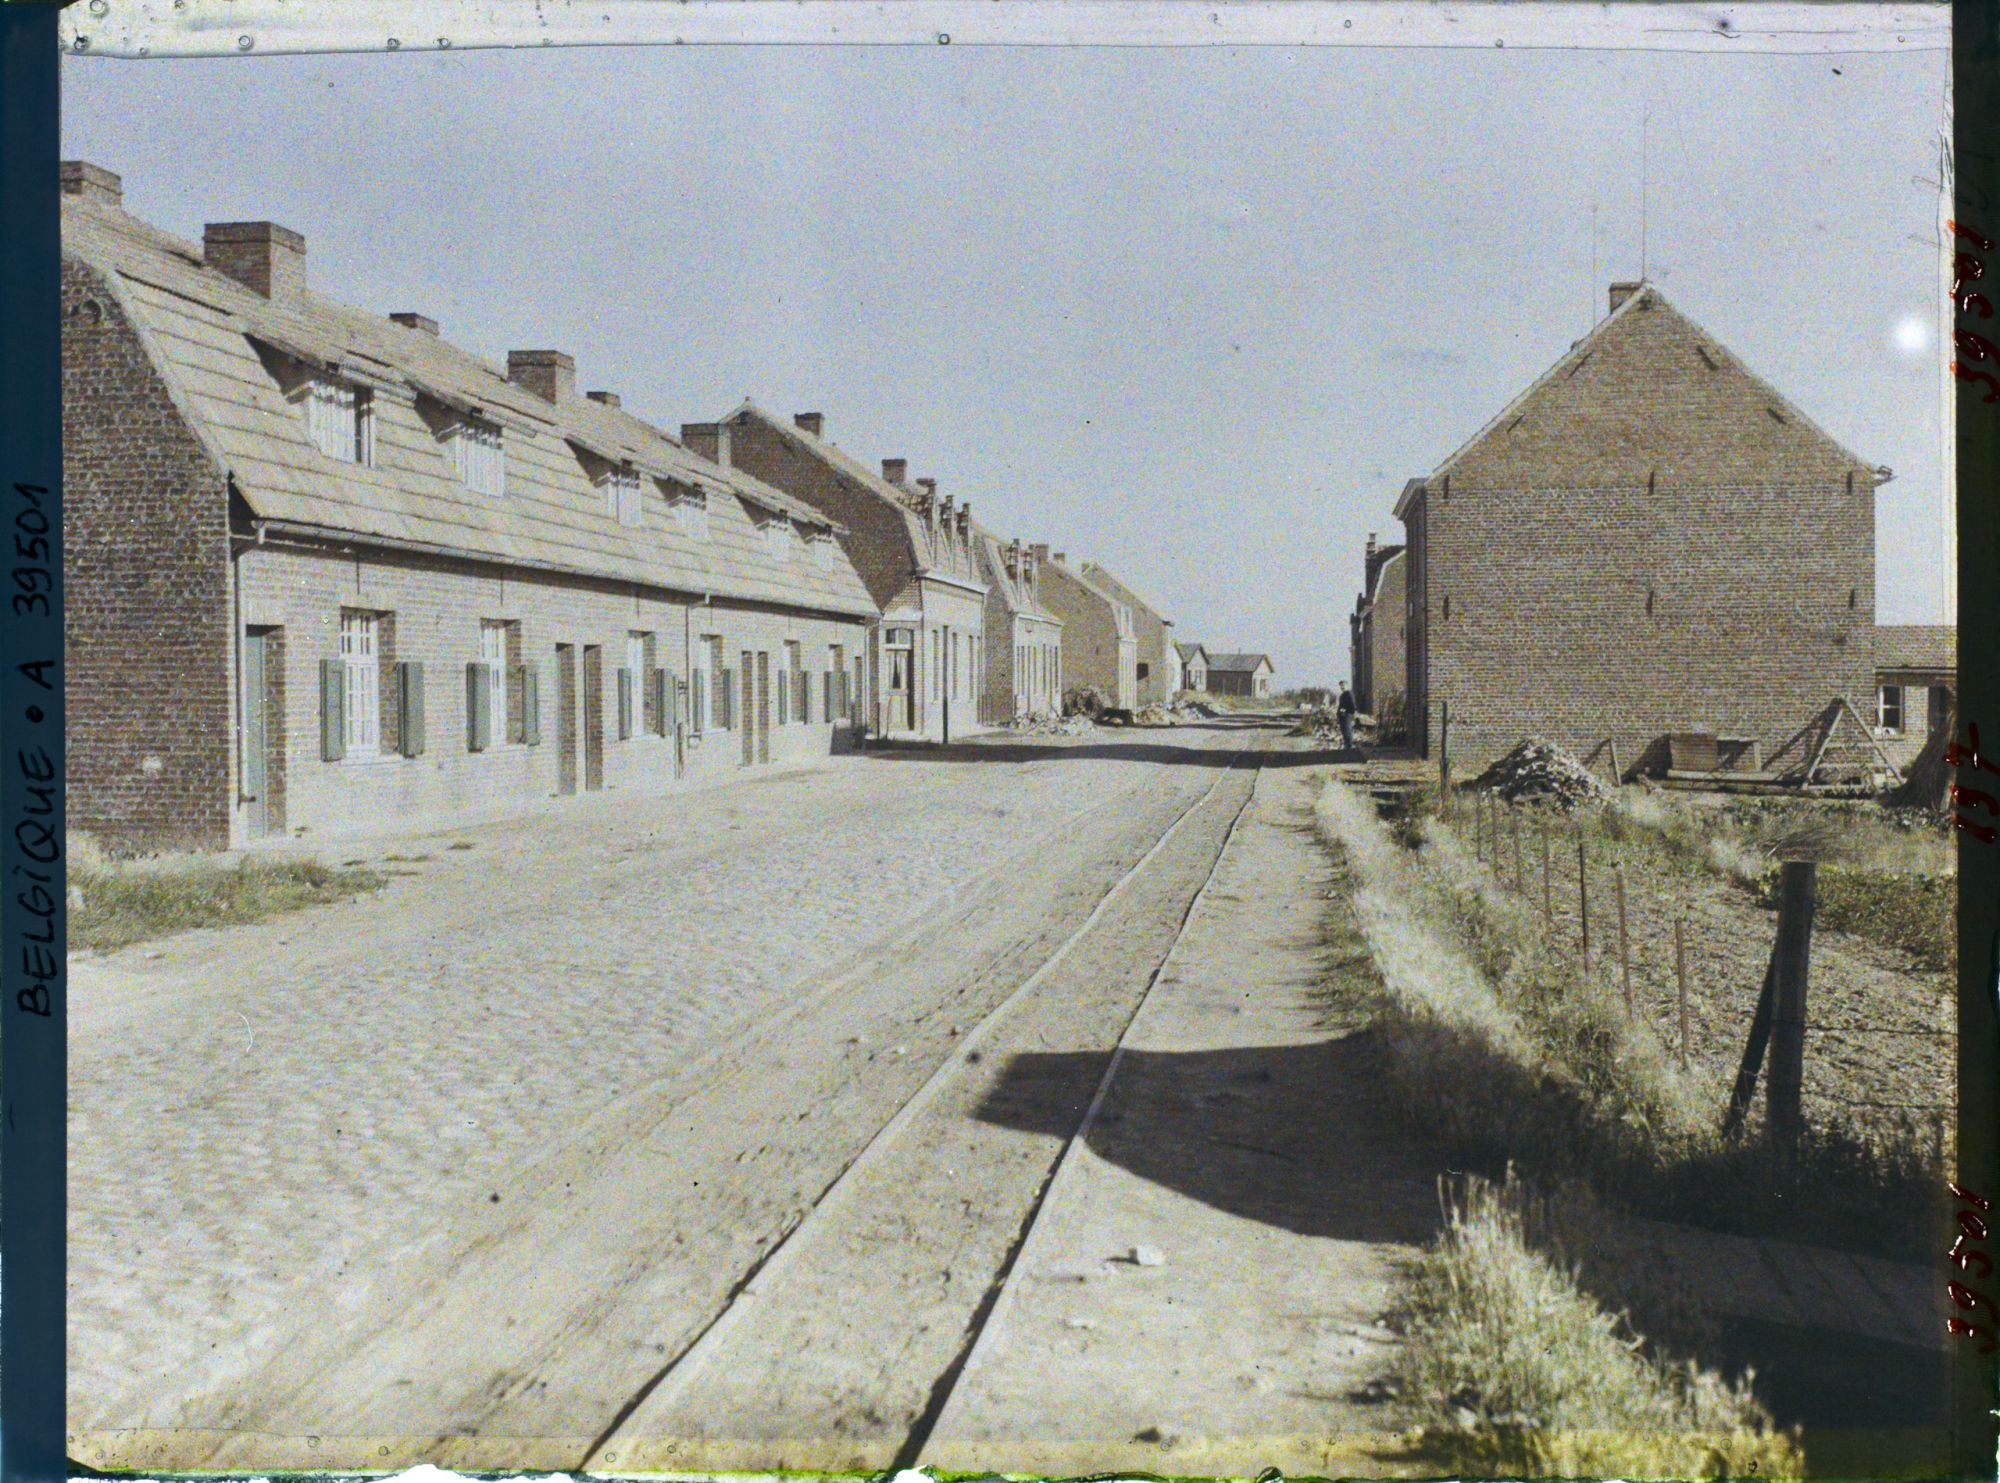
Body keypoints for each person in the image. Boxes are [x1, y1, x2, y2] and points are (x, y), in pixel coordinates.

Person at [1336, 681, 1358, 752]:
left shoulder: (1349, 694)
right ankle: (1347, 746)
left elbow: (1352, 705)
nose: (1342, 687)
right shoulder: (1343, 695)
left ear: (1347, 686)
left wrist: (1347, 711)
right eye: (1341, 686)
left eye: (1343, 686)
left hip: (1347, 716)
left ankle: (1349, 747)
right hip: (1342, 716)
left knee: (1347, 730)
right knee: (1344, 731)